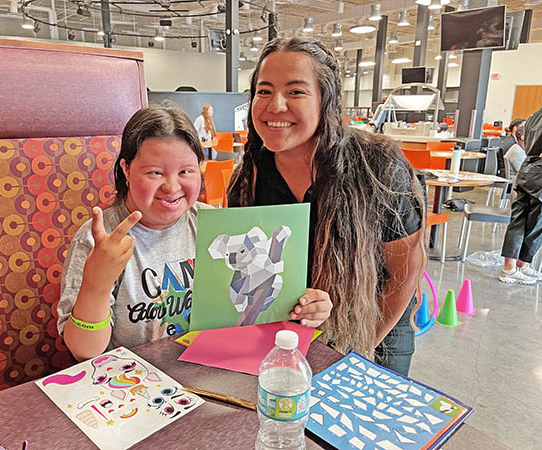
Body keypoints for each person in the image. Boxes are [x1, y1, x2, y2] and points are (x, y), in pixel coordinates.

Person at [58, 105, 331, 361]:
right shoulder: (100, 240)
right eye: (155, 172)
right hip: (134, 382)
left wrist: (305, 307)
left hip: (207, 370)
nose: (172, 186)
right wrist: (97, 283)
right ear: (126, 169)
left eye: (186, 171)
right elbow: (85, 352)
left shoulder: (211, 224)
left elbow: (255, 306)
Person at [228, 38, 425, 376]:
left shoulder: (377, 166)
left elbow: (404, 273)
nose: (275, 105)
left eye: (295, 92)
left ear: (326, 100)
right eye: (264, 91)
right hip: (289, 335)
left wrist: (360, 351)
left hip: (377, 325)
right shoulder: (249, 178)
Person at [499, 107, 542, 285]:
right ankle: (522, 264)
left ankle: (510, 268)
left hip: (527, 168)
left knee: (518, 219)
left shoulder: (534, 116)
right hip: (540, 173)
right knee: (536, 223)